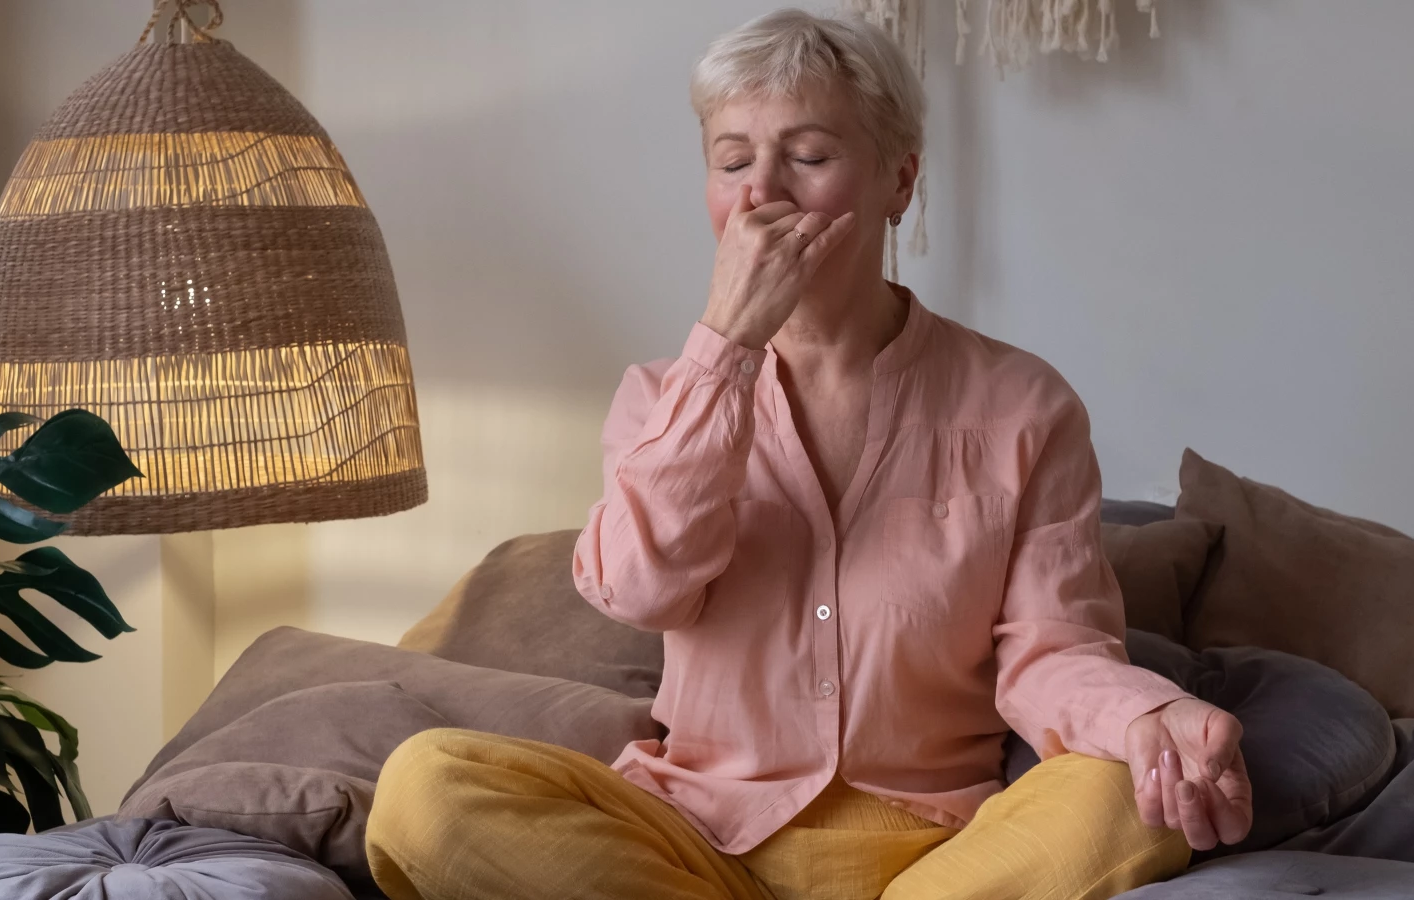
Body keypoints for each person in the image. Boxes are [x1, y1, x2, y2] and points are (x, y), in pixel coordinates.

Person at [366, 9, 1253, 900]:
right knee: (425, 787)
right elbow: (638, 589)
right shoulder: (657, 397)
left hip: (938, 857)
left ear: (898, 180)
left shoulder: (1024, 405)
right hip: (693, 843)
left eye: (810, 155)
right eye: (732, 159)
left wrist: (1152, 716)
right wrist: (726, 346)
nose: (763, 193)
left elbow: (1050, 654)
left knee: (1125, 795)